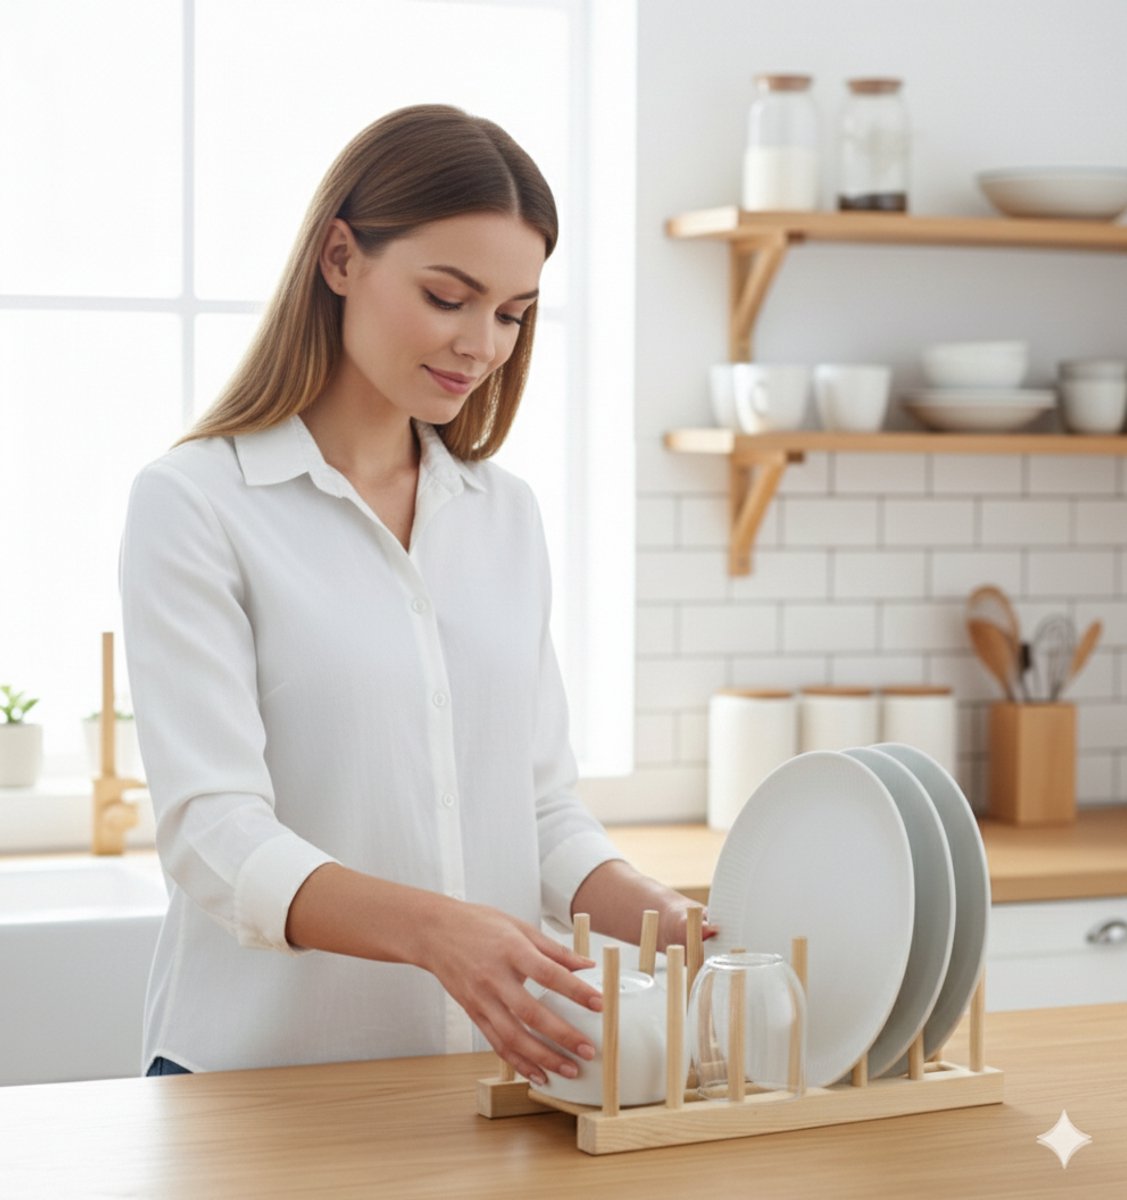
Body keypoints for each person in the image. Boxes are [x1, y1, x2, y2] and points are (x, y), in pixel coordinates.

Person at [121, 104, 711, 1085]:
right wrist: (439, 932)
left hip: (476, 1082)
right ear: (340, 257)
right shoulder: (196, 504)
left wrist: (673, 924)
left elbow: (539, 809)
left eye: (514, 313)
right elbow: (213, 835)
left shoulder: (503, 517)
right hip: (255, 1084)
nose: (483, 344)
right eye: (448, 296)